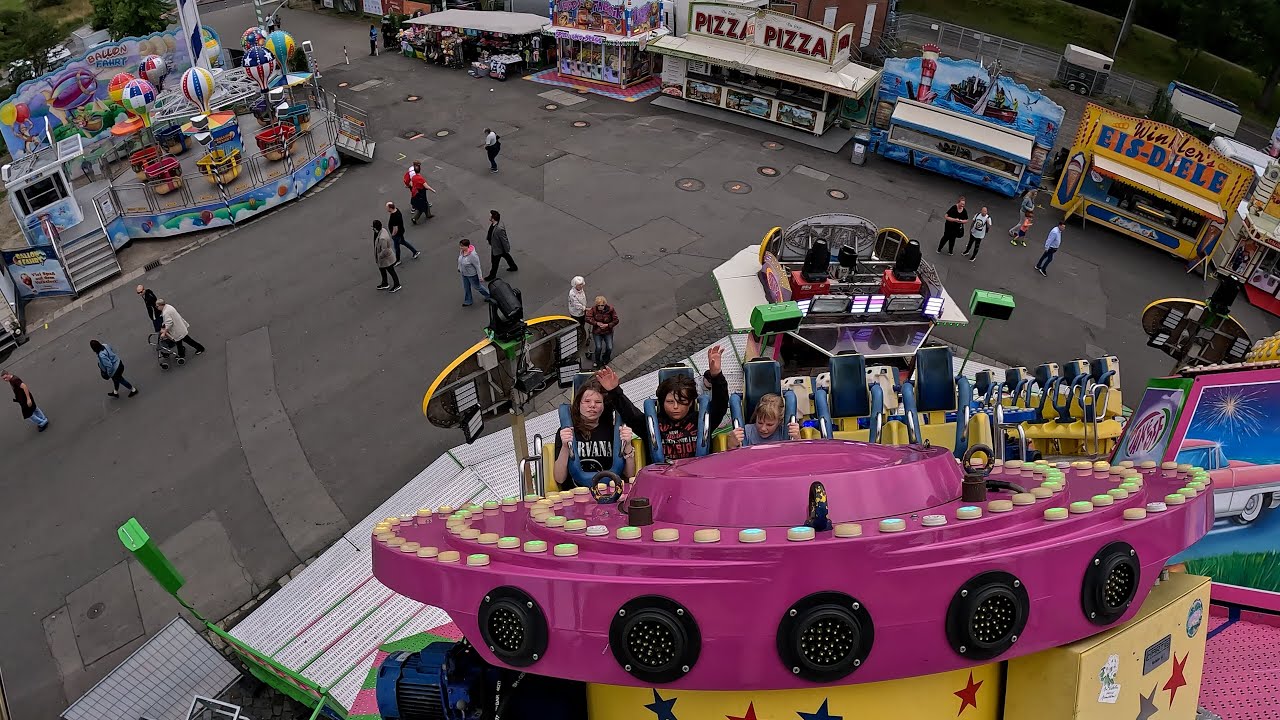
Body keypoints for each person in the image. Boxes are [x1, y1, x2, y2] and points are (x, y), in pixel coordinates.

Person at [609, 346, 729, 461]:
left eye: (682, 402)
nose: (675, 407)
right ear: (662, 401)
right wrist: (614, 391)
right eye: (670, 402)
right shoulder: (651, 424)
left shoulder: (703, 420)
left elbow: (721, 405)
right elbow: (630, 415)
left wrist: (717, 375)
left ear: (691, 402)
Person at [553, 375, 636, 488]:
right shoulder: (566, 432)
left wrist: (628, 445)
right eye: (587, 401)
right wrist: (565, 447)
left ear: (603, 406)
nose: (592, 406)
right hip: (576, 493)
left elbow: (630, 474)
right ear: (578, 404)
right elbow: (559, 478)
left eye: (598, 402)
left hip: (609, 491)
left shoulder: (613, 432)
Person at [728, 393, 800, 449]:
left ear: (779, 421)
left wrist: (798, 439)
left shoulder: (785, 433)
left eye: (769, 425)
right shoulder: (746, 433)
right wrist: (731, 445)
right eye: (760, 422)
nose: (763, 428)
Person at [482, 210, 518, 281]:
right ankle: (513, 267)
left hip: (498, 248)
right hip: (497, 246)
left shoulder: (499, 229)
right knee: (506, 256)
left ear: (493, 218)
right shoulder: (494, 224)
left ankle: (492, 276)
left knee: (494, 262)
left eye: (490, 216)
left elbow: (504, 240)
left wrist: (506, 248)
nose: (489, 216)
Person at [585, 295, 619, 367]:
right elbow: (587, 318)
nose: (600, 307)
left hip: (608, 331)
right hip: (597, 332)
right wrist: (596, 323)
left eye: (602, 305)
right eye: (599, 305)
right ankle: (597, 361)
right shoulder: (594, 309)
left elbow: (616, 320)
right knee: (598, 347)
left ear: (605, 304)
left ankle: (606, 359)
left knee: (609, 347)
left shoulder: (611, 309)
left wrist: (607, 325)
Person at [458, 239, 490, 306]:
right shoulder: (462, 252)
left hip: (472, 275)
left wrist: (480, 276)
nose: (461, 247)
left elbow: (477, 266)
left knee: (477, 287)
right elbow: (460, 261)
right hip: (464, 274)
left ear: (467, 246)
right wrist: (459, 268)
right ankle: (468, 301)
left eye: (462, 246)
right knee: (466, 287)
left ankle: (489, 295)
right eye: (460, 246)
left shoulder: (473, 255)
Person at [372, 219, 402, 292]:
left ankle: (397, 284)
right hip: (383, 258)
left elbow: (384, 251)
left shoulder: (382, 238)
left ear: (376, 228)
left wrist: (379, 256)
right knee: (382, 270)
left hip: (386, 259)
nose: (372, 228)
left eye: (373, 227)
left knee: (391, 270)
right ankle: (385, 283)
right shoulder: (382, 230)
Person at [567, 276, 589, 361]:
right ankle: (577, 337)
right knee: (577, 324)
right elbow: (577, 305)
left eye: (581, 284)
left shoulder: (580, 290)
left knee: (582, 324)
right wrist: (586, 309)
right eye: (579, 285)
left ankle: (581, 333)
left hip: (582, 311)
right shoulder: (572, 293)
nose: (581, 286)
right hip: (576, 312)